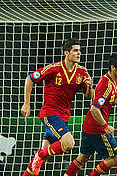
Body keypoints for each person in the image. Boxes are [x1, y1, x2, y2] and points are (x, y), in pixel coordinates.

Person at [21, 38, 94, 176]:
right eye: (75, 50)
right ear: (67, 53)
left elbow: (89, 96)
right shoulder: (54, 68)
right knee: (69, 143)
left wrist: (89, 86)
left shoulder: (82, 72)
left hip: (64, 116)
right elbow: (30, 79)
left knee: (43, 159)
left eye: (80, 50)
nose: (79, 53)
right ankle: (40, 155)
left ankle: (37, 159)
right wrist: (27, 103)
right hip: (50, 113)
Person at [64, 54, 117, 176]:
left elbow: (114, 99)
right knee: (116, 157)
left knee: (83, 158)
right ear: (113, 67)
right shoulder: (106, 85)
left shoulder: (110, 80)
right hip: (98, 129)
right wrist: (105, 126)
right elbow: (94, 109)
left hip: (89, 127)